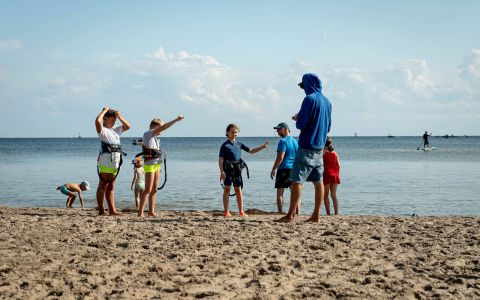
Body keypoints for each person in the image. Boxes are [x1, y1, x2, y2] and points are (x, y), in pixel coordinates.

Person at [278, 73, 332, 223]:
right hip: (320, 148)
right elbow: (328, 127)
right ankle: (316, 215)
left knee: (297, 180)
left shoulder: (309, 99)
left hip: (307, 146)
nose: (303, 89)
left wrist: (297, 118)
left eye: (303, 86)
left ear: (307, 85)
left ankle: (290, 216)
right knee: (318, 182)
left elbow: (302, 124)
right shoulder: (327, 102)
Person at [137, 115, 184, 217]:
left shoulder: (155, 138)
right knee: (148, 189)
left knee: (154, 189)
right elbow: (165, 126)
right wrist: (176, 120)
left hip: (157, 165)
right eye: (161, 128)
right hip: (150, 165)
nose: (163, 130)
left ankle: (151, 211)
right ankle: (140, 213)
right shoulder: (148, 133)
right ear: (155, 126)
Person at [219, 124, 269, 217]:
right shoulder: (224, 145)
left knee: (238, 189)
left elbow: (251, 151)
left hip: (237, 169)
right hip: (228, 169)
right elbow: (220, 159)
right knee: (227, 189)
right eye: (232, 132)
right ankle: (226, 211)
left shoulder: (239, 143)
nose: (234, 134)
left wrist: (262, 147)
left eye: (236, 132)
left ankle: (241, 211)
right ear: (227, 133)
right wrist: (222, 172)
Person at [95, 107, 131, 216]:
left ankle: (112, 210)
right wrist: (104, 111)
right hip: (106, 159)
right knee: (102, 185)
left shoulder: (116, 130)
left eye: (115, 119)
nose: (115, 121)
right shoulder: (102, 130)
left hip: (116, 160)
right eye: (113, 119)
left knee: (111, 186)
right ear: (105, 118)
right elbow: (97, 121)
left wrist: (119, 116)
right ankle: (101, 210)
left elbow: (128, 126)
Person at [270, 122, 299, 213]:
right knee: (295, 192)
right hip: (294, 169)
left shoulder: (283, 141)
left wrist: (274, 169)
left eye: (278, 129)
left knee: (280, 192)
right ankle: (297, 212)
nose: (277, 132)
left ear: (284, 129)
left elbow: (280, 156)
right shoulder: (295, 141)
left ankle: (280, 211)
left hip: (283, 169)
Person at [323, 137, 341, 215]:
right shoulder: (335, 153)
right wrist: (337, 173)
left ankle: (328, 213)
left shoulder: (323, 152)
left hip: (327, 174)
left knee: (325, 195)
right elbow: (339, 165)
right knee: (333, 195)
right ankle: (336, 213)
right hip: (335, 175)